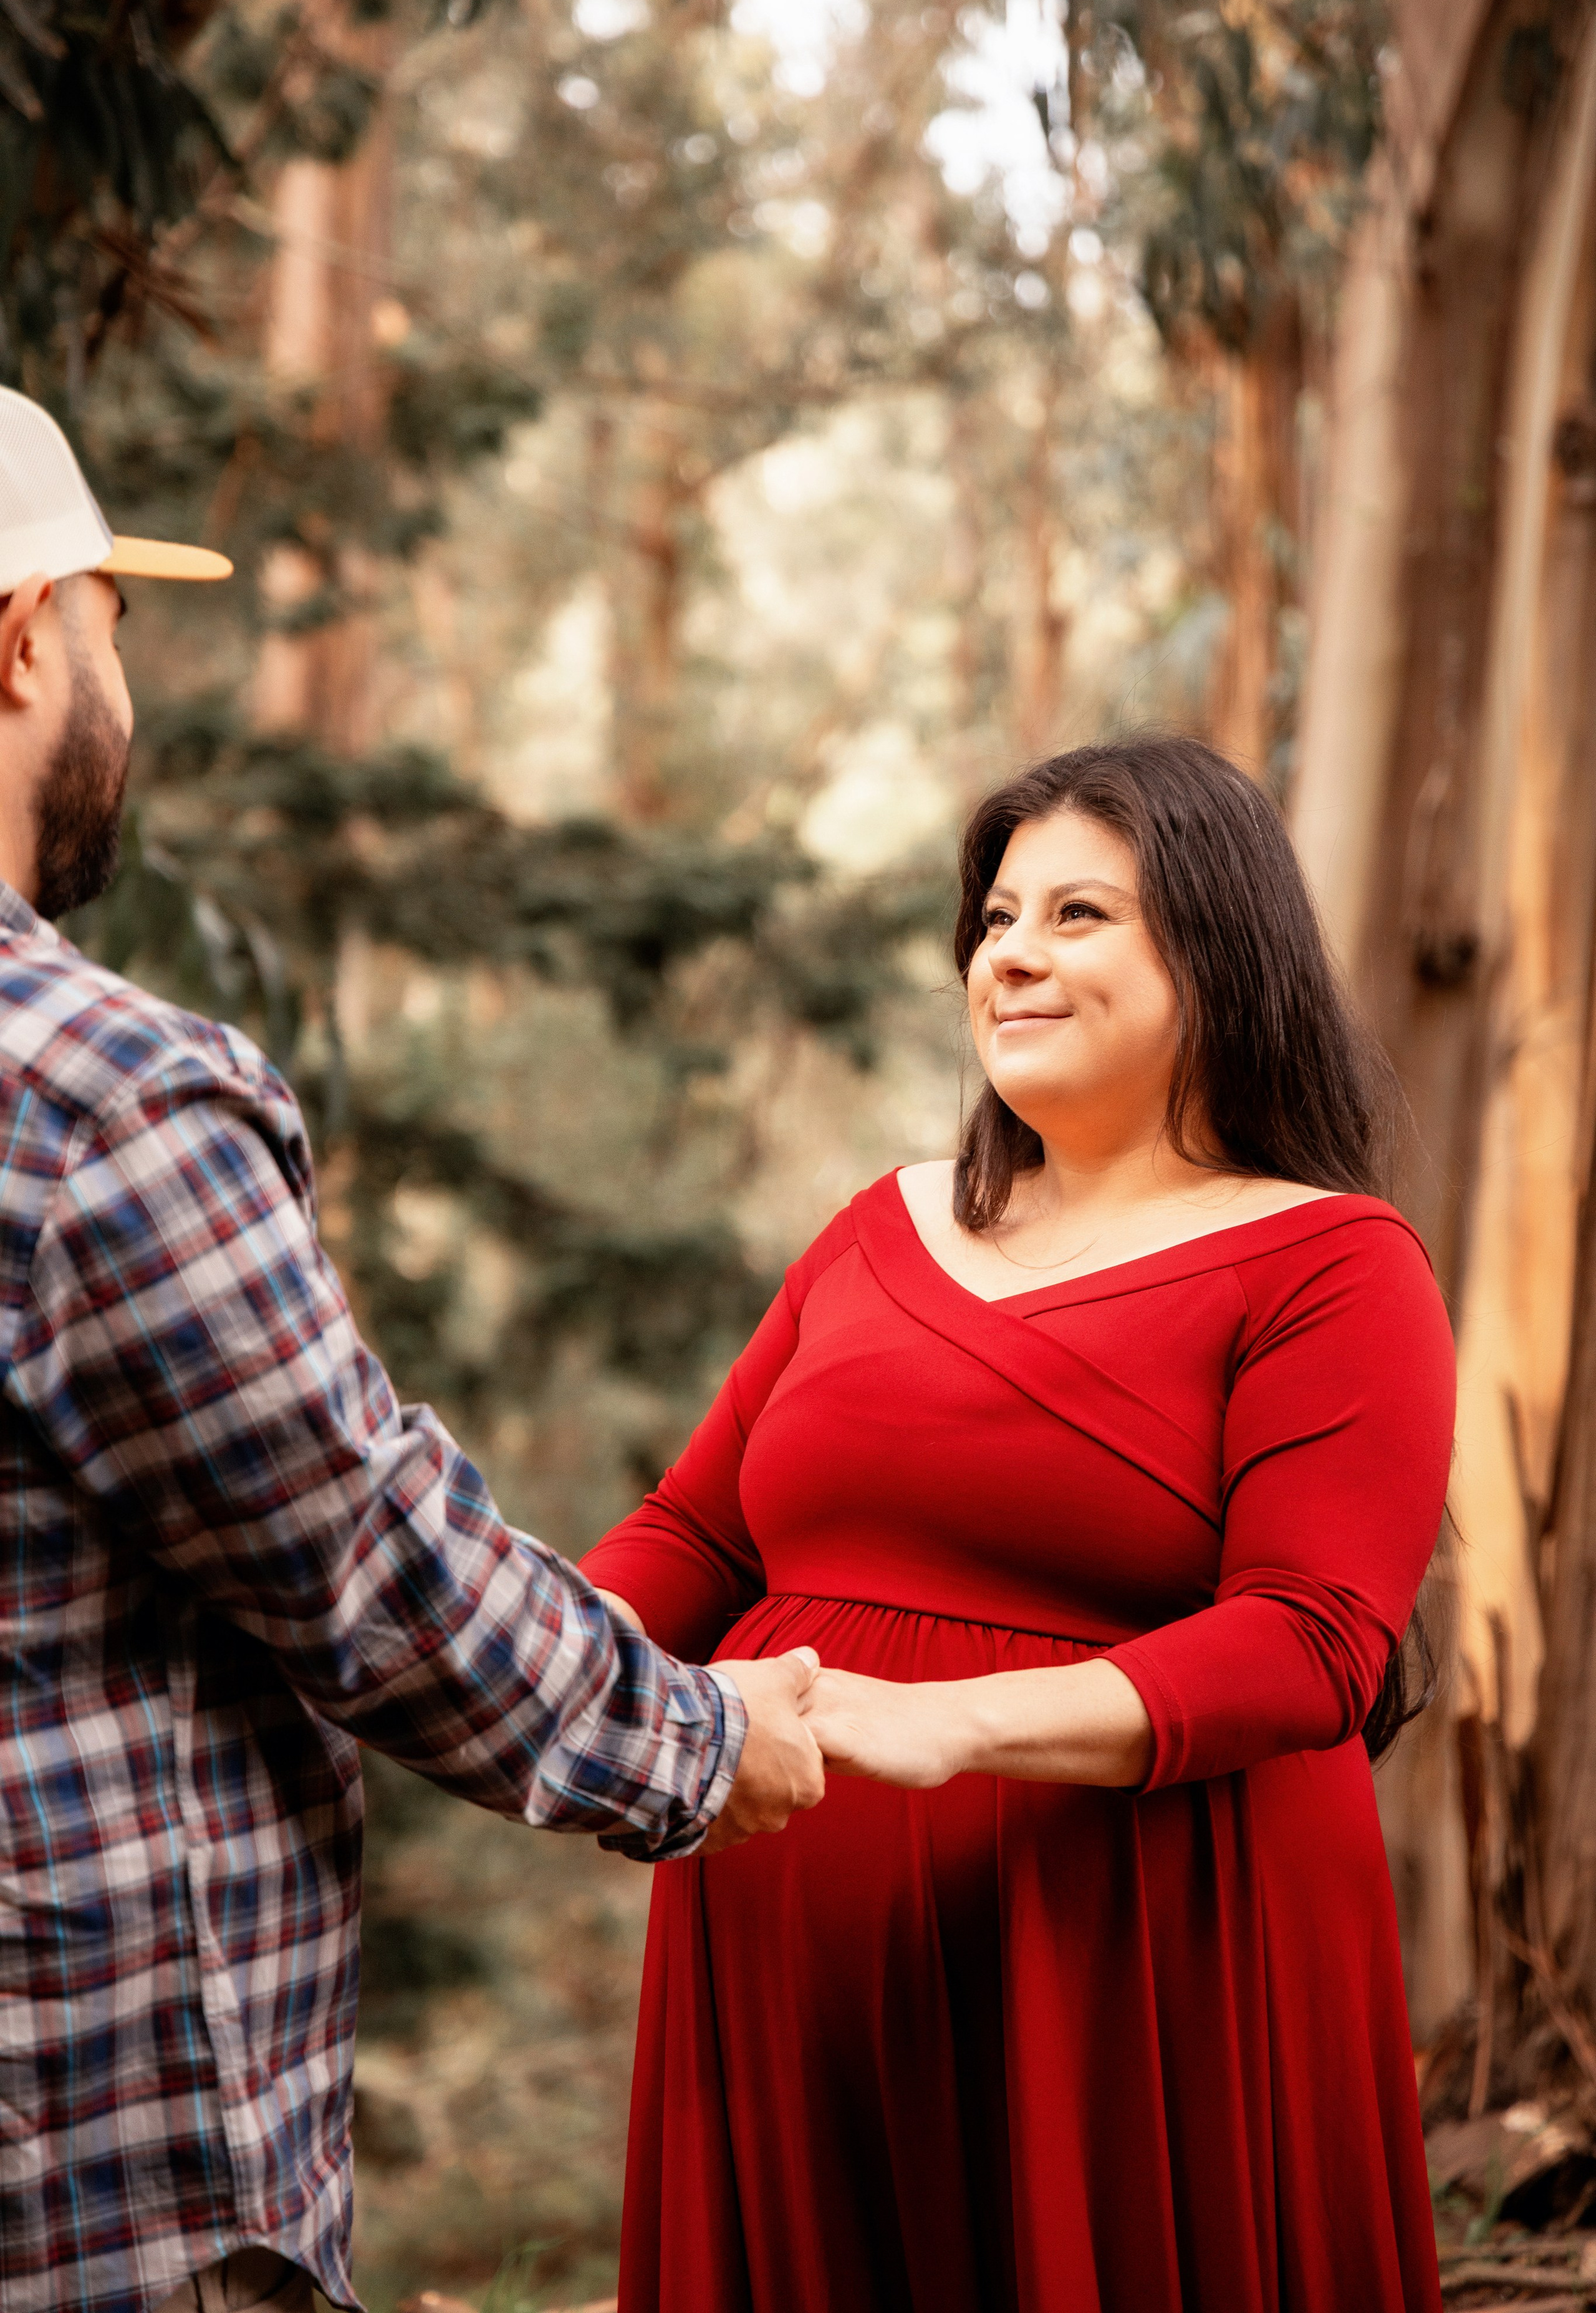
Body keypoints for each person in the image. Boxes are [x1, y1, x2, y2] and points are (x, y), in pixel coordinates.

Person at [0, 385, 824, 2313]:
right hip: (101, 2184)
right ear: (26, 638)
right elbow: (370, 1561)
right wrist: (702, 1740)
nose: (132, 688)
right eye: (119, 626)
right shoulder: (97, 1101)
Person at [582, 737, 1456, 2313]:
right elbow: (694, 1538)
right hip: (789, 1975)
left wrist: (945, 1728)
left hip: (1130, 1970)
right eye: (993, 920)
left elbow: (1310, 1640)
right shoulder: (878, 1227)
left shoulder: (1332, 1264)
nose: (1013, 958)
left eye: (1077, 916)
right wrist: (498, 1657)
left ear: (1216, 951)